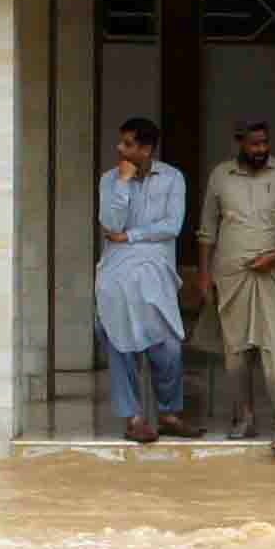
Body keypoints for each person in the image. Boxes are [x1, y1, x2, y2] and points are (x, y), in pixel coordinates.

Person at [195, 117, 275, 457]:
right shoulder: (220, 175)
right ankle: (243, 417)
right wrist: (204, 276)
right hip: (231, 275)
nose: (261, 149)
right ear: (240, 142)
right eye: (254, 144)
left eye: (264, 143)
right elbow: (207, 230)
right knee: (236, 353)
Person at [94, 117, 189, 443]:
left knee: (169, 347)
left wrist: (131, 235)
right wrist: (122, 183)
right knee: (120, 344)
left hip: (155, 276)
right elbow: (109, 223)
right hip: (117, 277)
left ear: (146, 149)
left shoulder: (172, 178)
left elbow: (171, 226)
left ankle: (169, 413)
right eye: (121, 143)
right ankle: (134, 418)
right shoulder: (110, 179)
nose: (120, 149)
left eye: (128, 144)